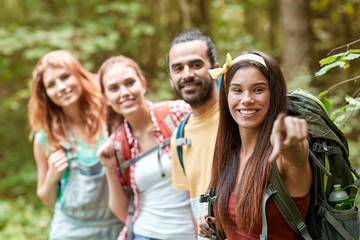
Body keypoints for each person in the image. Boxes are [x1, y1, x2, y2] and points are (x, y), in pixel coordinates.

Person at [198, 51, 312, 239]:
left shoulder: (282, 156)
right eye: (237, 90)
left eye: (258, 90)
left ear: (273, 95)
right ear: (226, 97)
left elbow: (297, 155)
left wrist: (291, 141)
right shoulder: (228, 154)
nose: (246, 99)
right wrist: (217, 223)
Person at [96, 55, 196, 240]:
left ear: (142, 83)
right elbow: (122, 211)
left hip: (193, 233)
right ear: (106, 98)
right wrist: (109, 168)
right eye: (114, 88)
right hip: (145, 234)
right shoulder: (116, 145)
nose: (124, 92)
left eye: (129, 83)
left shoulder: (178, 114)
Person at [28, 50, 122, 239]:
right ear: (45, 93)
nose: (61, 87)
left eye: (65, 77)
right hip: (71, 230)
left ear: (78, 75)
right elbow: (47, 199)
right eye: (51, 84)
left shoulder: (111, 119)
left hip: (117, 225)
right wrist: (52, 177)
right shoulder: (46, 139)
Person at [167, 29, 220, 236]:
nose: (187, 74)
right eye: (178, 68)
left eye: (196, 65)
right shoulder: (179, 136)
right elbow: (194, 201)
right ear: (171, 77)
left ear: (215, 70)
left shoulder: (239, 116)